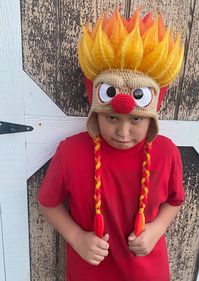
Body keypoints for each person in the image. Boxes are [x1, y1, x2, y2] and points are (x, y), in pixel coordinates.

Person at [38, 8, 185, 281]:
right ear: (96, 109)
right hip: (89, 272)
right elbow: (48, 202)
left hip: (147, 272)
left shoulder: (166, 152)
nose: (123, 131)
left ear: (152, 115)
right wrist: (76, 237)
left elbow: (175, 201)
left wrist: (156, 230)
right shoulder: (71, 151)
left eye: (136, 120)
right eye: (112, 117)